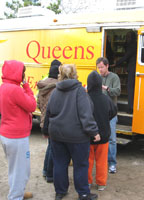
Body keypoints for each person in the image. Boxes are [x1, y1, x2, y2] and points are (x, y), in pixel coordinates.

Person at [43, 64, 100, 200]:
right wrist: (94, 132)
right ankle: (83, 193)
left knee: (60, 163)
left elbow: (48, 113)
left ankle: (60, 192)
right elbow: (86, 115)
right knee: (80, 165)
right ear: (75, 74)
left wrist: (46, 130)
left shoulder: (56, 91)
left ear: (60, 74)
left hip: (57, 135)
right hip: (77, 137)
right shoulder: (80, 91)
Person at [0, 60, 36, 200]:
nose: (23, 75)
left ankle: (17, 192)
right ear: (17, 73)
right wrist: (26, 86)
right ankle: (15, 196)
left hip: (7, 134)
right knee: (21, 170)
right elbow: (32, 106)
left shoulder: (4, 87)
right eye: (23, 72)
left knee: (14, 168)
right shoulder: (15, 90)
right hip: (17, 137)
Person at [87, 70, 117, 191]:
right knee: (102, 162)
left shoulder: (85, 98)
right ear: (100, 84)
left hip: (88, 136)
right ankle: (101, 183)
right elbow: (113, 112)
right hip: (104, 135)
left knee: (87, 162)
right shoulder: (106, 99)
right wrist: (105, 119)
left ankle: (87, 182)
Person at [37, 59, 61, 183]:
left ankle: (46, 171)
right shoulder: (58, 87)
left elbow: (38, 104)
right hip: (53, 121)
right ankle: (49, 174)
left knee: (50, 146)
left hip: (43, 121)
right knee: (53, 148)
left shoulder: (42, 85)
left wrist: (43, 114)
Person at [96, 57, 121, 173]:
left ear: (107, 66)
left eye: (101, 67)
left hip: (111, 112)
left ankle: (112, 164)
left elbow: (118, 91)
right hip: (99, 112)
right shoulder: (97, 77)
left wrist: (106, 88)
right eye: (98, 67)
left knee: (111, 139)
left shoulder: (114, 77)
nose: (100, 69)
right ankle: (100, 162)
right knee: (98, 136)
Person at [111, 31, 137, 114]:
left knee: (130, 88)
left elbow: (126, 56)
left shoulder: (132, 45)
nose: (127, 38)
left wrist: (116, 64)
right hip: (132, 68)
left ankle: (130, 108)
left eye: (128, 37)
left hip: (132, 68)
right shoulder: (133, 44)